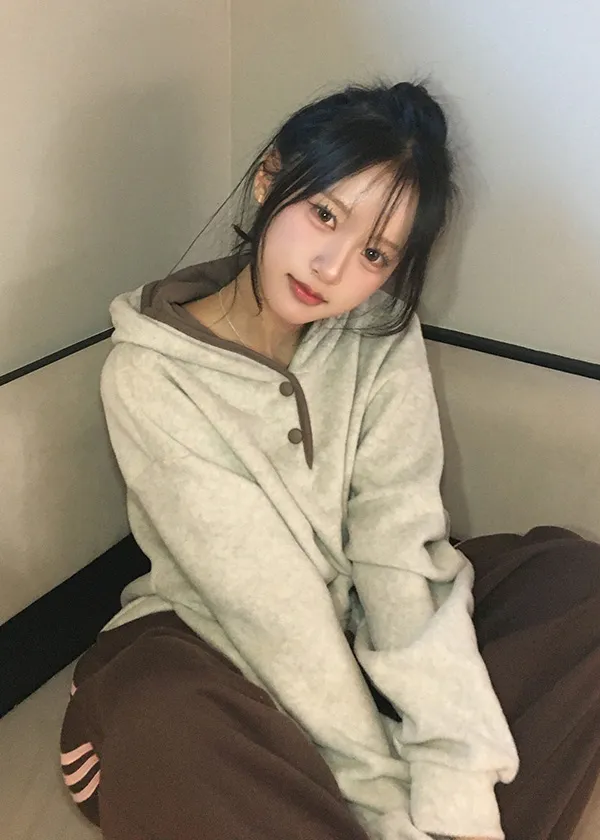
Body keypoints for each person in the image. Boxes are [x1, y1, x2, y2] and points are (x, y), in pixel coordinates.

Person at [59, 81, 600, 840]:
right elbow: (265, 604)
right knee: (160, 718)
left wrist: (452, 767)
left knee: (578, 582)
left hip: (357, 627)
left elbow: (397, 545)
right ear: (269, 178)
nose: (331, 267)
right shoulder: (149, 373)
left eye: (374, 253)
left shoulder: (378, 335)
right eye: (324, 214)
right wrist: (385, 798)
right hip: (211, 642)